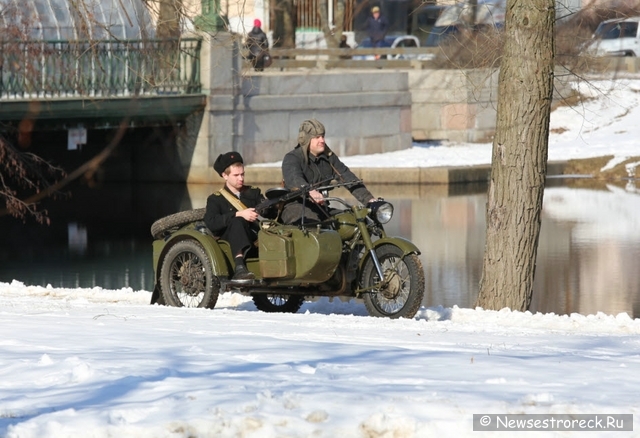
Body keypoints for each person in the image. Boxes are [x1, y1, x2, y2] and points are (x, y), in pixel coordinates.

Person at [280, 119, 377, 225]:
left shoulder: (328, 158)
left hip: (322, 208)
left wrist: (369, 200)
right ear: (305, 140)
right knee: (314, 227)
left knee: (357, 223)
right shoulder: (292, 158)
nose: (322, 140)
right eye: (317, 137)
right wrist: (310, 191)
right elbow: (294, 178)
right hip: (296, 208)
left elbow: (347, 176)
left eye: (322, 136)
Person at [204, 152, 274, 281]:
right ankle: (239, 267)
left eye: (242, 174)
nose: (241, 178)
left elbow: (267, 211)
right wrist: (238, 214)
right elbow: (211, 222)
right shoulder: (215, 199)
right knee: (237, 221)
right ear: (225, 175)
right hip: (230, 238)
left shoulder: (253, 192)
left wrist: (266, 208)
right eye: (236, 175)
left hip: (254, 236)